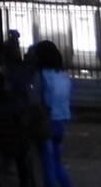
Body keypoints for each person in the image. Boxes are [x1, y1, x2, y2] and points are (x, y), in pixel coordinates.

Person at [36, 39, 75, 187]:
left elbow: (38, 99)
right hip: (62, 120)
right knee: (57, 161)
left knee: (47, 163)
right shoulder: (64, 76)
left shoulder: (42, 76)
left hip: (47, 121)